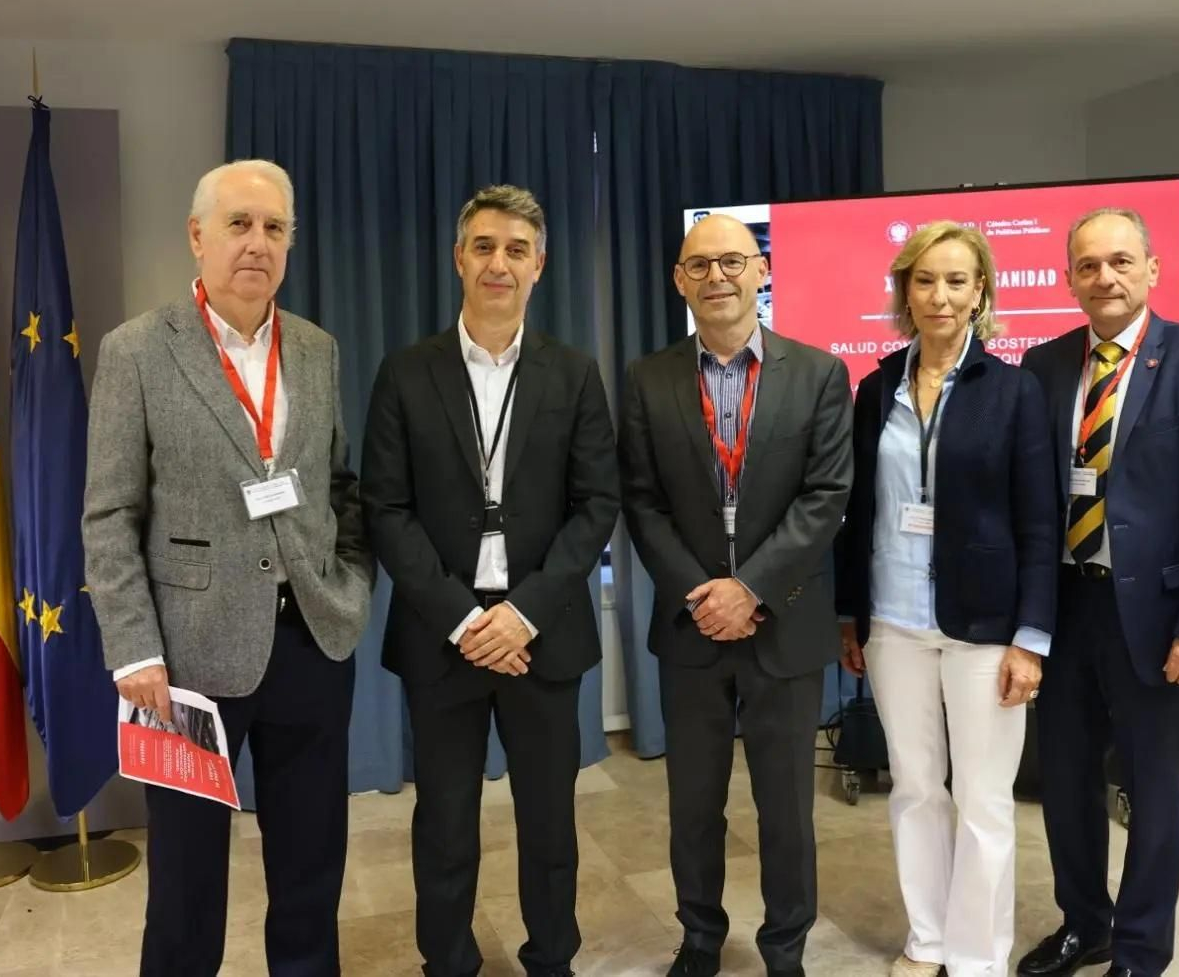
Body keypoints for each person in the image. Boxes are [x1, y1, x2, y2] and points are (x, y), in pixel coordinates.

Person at [83, 159, 373, 977]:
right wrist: (134, 649)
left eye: (274, 228)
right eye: (240, 224)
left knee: (312, 865)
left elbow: (338, 486)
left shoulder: (317, 350)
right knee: (184, 879)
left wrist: (348, 586)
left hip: (311, 641)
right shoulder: (136, 350)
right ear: (197, 236)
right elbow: (110, 513)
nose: (257, 243)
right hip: (182, 665)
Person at [361, 185, 619, 977]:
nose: (497, 263)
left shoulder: (574, 375)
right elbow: (385, 509)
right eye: (483, 246)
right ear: (458, 259)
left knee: (550, 825)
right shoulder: (406, 373)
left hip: (542, 635)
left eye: (515, 249)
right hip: (444, 641)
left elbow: (596, 506)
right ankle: (448, 962)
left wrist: (522, 616)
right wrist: (467, 621)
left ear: (538, 265)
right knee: (443, 824)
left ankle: (552, 960)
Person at [1016, 208, 1179, 977]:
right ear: (1068, 279)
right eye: (1088, 265)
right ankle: (1086, 925)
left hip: (1159, 621)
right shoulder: (1044, 365)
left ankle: (1142, 951)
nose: (1105, 277)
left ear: (1153, 269)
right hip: (1063, 608)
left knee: (1153, 794)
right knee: (1065, 784)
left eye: (1121, 261)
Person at [618, 214, 853, 977]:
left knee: (786, 808)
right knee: (695, 804)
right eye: (698, 265)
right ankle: (700, 937)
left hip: (783, 620)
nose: (716, 276)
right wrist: (700, 591)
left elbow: (825, 496)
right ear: (679, 281)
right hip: (690, 628)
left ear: (760, 272)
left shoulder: (819, 373)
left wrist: (749, 588)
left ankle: (786, 946)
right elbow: (641, 500)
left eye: (731, 262)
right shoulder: (648, 378)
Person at [833, 222, 1058, 977]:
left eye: (956, 280)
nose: (939, 295)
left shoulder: (1015, 392)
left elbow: (1039, 521)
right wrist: (851, 615)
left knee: (985, 800)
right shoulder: (875, 388)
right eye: (924, 280)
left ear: (981, 292)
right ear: (905, 291)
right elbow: (856, 511)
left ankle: (977, 956)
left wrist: (1032, 637)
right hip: (894, 622)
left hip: (985, 626)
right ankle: (927, 939)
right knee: (917, 788)